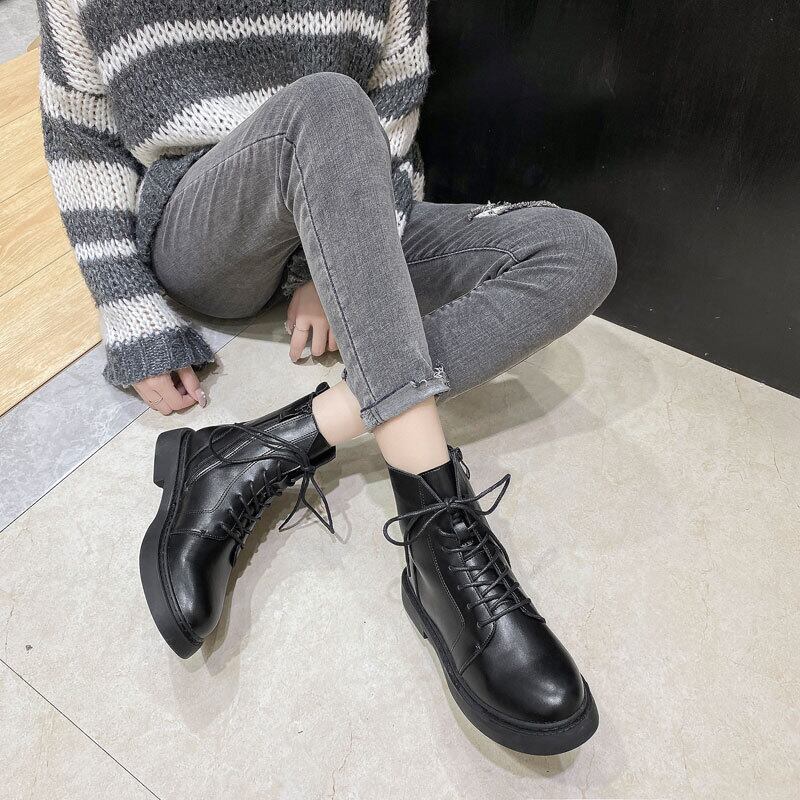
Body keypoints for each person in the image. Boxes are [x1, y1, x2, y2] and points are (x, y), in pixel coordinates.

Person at [37, 0, 616, 755]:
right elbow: (80, 135)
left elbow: (395, 108)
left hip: (351, 197)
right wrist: (131, 310)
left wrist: (331, 263)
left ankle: (264, 445)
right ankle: (440, 538)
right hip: (211, 225)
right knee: (328, 101)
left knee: (576, 252)